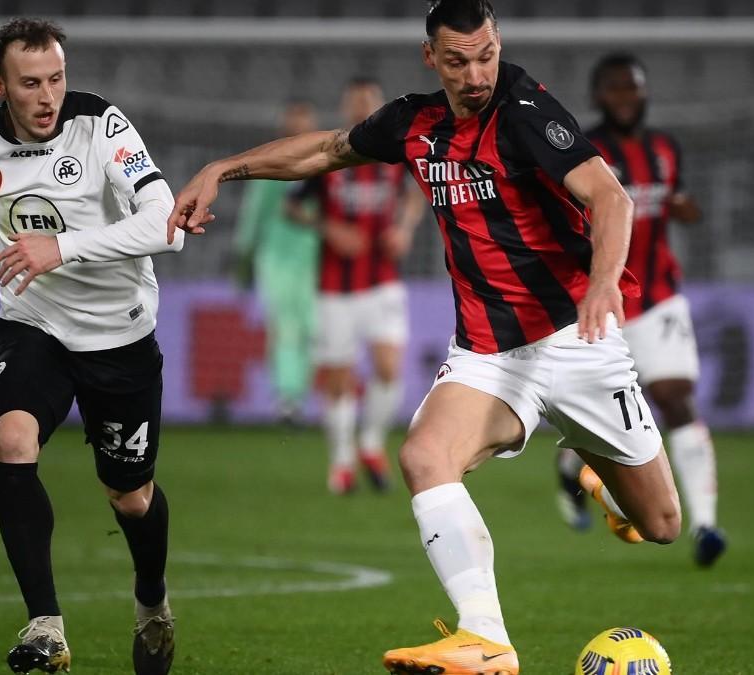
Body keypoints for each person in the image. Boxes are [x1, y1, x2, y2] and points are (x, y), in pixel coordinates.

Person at [167, 2, 681, 672]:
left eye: (487, 54)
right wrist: (224, 169)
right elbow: (326, 149)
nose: (476, 74)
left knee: (661, 524)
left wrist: (606, 280)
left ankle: (592, 470)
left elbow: (610, 197)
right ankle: (486, 637)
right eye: (459, 59)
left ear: (499, 45)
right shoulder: (414, 123)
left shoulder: (526, 111)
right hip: (489, 354)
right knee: (423, 455)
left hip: (576, 338)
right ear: (430, 57)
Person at [0, 18, 183, 675]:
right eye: (31, 83)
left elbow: (166, 224)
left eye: (57, 79)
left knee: (129, 495)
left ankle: (152, 602)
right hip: (33, 324)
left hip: (119, 333)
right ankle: (45, 626)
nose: (48, 97)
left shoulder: (101, 127)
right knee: (12, 439)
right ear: (0, 85)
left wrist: (59, 247)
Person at [553, 53, 726, 568]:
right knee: (601, 419)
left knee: (676, 398)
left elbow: (677, 200)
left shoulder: (666, 148)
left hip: (660, 298)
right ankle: (570, 469)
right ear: (599, 95)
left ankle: (708, 524)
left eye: (633, 88)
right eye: (615, 89)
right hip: (602, 300)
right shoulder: (583, 150)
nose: (625, 97)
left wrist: (685, 208)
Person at [286, 78, 425, 494]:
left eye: (369, 102)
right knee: (339, 378)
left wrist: (404, 228)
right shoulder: (330, 156)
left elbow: (417, 193)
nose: (363, 109)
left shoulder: (397, 156)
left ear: (380, 106)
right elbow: (293, 207)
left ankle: (370, 443)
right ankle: (342, 462)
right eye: (356, 103)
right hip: (336, 287)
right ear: (346, 108)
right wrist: (329, 227)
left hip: (383, 280)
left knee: (388, 368)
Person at [232, 100, 321, 425]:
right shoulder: (271, 164)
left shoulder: (325, 164)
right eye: (294, 122)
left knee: (311, 328)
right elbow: (254, 214)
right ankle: (287, 398)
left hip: (314, 256)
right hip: (276, 256)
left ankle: (299, 395)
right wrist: (245, 257)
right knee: (284, 326)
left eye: (304, 122)